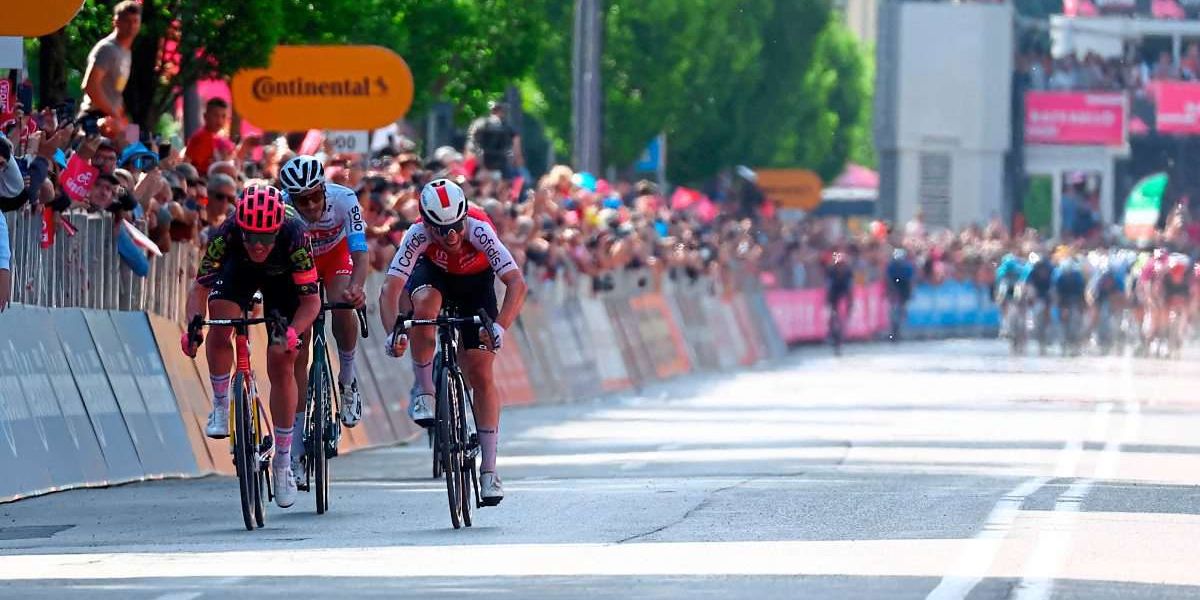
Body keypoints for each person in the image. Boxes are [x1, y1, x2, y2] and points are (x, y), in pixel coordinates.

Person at [380, 179, 527, 506]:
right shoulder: (416, 234)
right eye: (441, 229)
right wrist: (393, 332)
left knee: (480, 370)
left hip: (476, 284)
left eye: (456, 226)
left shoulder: (479, 228)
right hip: (434, 275)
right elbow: (390, 290)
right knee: (425, 307)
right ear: (426, 224)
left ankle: (489, 470)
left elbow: (516, 283)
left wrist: (500, 328)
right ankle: (425, 391)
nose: (451, 236)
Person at [181, 185, 321, 509]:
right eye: (251, 237)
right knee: (219, 325)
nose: (258, 245)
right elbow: (199, 289)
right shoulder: (226, 232)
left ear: (276, 231)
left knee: (282, 358)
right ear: (240, 228)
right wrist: (193, 327)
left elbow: (311, 302)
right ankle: (220, 405)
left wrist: (294, 332)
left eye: (265, 238)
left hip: (283, 283)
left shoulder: (295, 235)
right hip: (238, 273)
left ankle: (284, 461)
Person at [277, 155, 370, 479]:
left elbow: (360, 253)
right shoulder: (283, 210)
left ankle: (347, 378)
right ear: (291, 198)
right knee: (296, 352)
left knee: (343, 302)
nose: (313, 204)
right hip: (299, 264)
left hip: (335, 258)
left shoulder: (344, 199)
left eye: (317, 195)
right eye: (304, 200)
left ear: (324, 189)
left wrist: (358, 287)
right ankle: (298, 451)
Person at [79, 1, 141, 131]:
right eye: (127, 21)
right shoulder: (107, 49)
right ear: (116, 22)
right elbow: (90, 85)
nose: (131, 26)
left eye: (135, 21)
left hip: (113, 118)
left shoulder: (126, 52)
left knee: (140, 144)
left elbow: (115, 91)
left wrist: (122, 118)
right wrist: (113, 113)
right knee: (129, 145)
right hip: (95, 119)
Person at [467, 101, 521, 180]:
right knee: (517, 180)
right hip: (501, 165)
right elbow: (516, 150)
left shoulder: (480, 123)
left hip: (481, 164)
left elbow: (471, 143)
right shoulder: (508, 127)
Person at [185, 98, 235, 177]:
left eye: (223, 116)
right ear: (205, 116)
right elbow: (189, 165)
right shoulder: (200, 137)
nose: (220, 120)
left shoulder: (218, 137)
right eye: (216, 115)